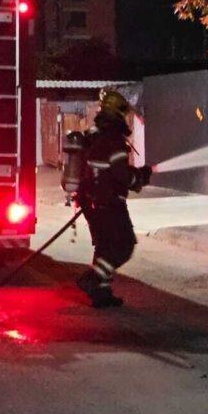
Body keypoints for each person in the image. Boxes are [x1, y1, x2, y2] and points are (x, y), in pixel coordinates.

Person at [75, 89, 152, 308]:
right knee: (123, 246)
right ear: (118, 113)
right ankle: (92, 279)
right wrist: (140, 177)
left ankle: (101, 293)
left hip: (91, 202)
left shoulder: (94, 135)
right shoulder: (114, 140)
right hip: (108, 203)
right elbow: (122, 175)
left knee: (104, 247)